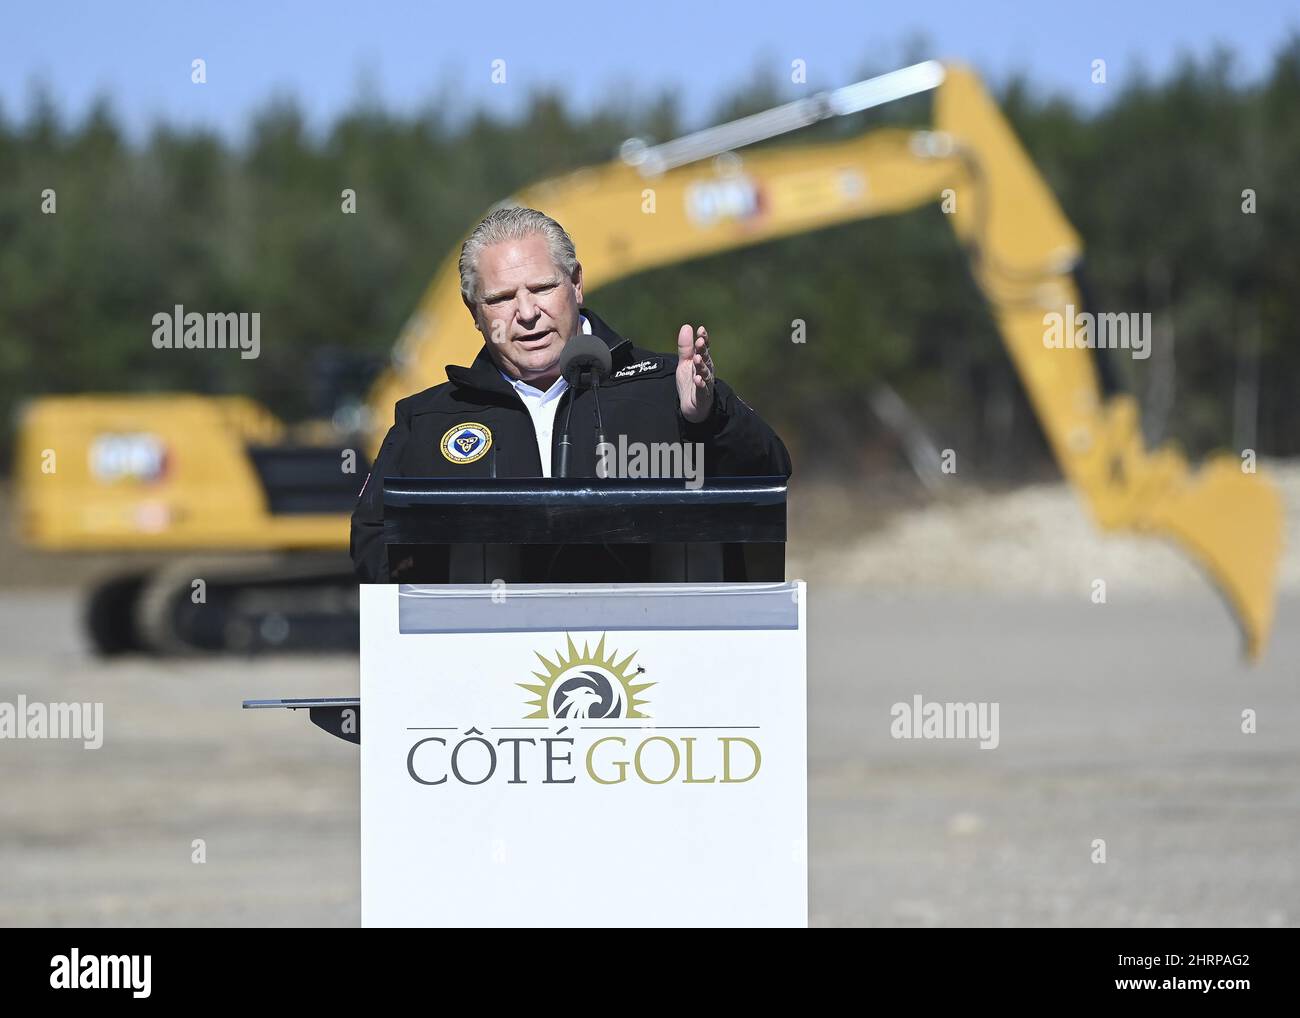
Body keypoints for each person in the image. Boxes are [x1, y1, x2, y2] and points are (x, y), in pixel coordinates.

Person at [350, 205, 791, 581]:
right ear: (474, 313)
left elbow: (768, 474)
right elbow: (373, 546)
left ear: (576, 283)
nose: (526, 313)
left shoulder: (667, 389)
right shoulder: (428, 420)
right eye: (501, 298)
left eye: (542, 288)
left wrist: (709, 419)